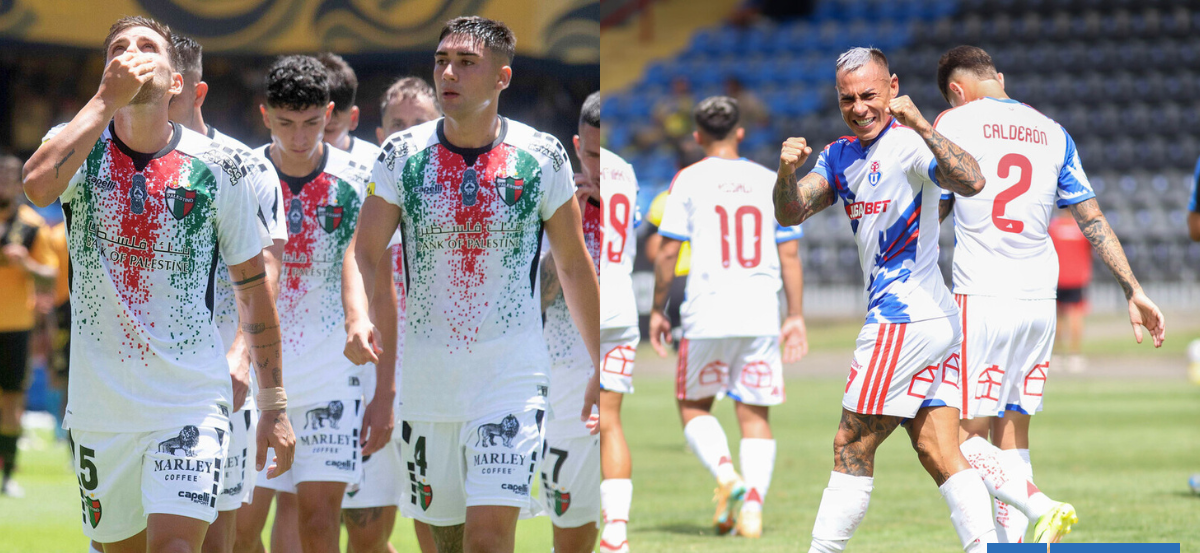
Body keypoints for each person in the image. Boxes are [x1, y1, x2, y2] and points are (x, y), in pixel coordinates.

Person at [23, 15, 294, 552]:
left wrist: (275, 405)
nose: (132, 54)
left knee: (176, 547)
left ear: (177, 83)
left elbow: (253, 291)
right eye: (118, 49)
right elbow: (35, 186)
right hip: (102, 408)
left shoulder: (219, 169)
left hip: (189, 399)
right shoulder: (78, 146)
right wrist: (103, 101)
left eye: (148, 47)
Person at [348, 16, 601, 553]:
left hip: (511, 378)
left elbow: (575, 267)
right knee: (446, 540)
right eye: (442, 61)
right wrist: (357, 315)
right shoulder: (402, 155)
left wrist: (605, 362)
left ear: (502, 78)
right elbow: (364, 250)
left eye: (466, 62)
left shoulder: (541, 155)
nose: (448, 73)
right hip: (428, 383)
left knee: (488, 539)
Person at [933, 45, 1166, 543]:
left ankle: (1041, 505)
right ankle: (1019, 543)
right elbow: (1091, 217)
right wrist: (1134, 289)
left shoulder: (952, 124)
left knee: (959, 436)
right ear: (999, 75)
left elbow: (936, 208)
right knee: (1013, 432)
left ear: (956, 90)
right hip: (1041, 300)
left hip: (982, 295)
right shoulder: (1053, 132)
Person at [771, 47, 995, 552]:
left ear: (892, 87)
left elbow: (972, 179)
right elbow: (791, 212)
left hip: (904, 317)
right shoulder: (839, 155)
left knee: (850, 443)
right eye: (847, 98)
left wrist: (922, 124)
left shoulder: (910, 145)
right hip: (931, 317)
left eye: (869, 95)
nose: (859, 107)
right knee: (938, 447)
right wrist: (785, 172)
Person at [650, 96, 805, 538]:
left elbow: (665, 252)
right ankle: (752, 506)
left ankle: (727, 477)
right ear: (740, 132)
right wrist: (795, 314)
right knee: (754, 415)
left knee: (693, 405)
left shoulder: (689, 179)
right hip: (760, 310)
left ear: (697, 136)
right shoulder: (766, 179)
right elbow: (789, 253)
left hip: (707, 311)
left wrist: (661, 309)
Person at [166, 34, 289, 553]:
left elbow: (267, 270)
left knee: (219, 537)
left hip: (217, 380)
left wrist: (242, 354)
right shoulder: (114, 159)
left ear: (195, 92)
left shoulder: (245, 167)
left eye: (161, 91)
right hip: (136, 380)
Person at [249, 55, 374, 553]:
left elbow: (357, 258)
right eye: (285, 124)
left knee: (320, 524)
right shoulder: (244, 175)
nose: (299, 137)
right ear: (265, 116)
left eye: (311, 123)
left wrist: (358, 318)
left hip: (329, 376)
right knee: (240, 532)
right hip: (262, 375)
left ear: (329, 112)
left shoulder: (358, 176)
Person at [536, 90, 603, 553]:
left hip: (622, 376)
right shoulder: (556, 207)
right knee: (572, 530)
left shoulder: (636, 203)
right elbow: (534, 300)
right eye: (594, 154)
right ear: (578, 146)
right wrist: (567, 235)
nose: (601, 167)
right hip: (566, 388)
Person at [596, 96, 640, 553]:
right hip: (621, 307)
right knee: (610, 421)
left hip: (580, 307)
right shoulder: (625, 170)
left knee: (568, 424)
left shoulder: (570, 169)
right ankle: (616, 533)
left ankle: (567, 533)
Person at [0, 153, 57, 498]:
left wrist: (27, 267)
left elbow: (51, 276)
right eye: (0, 176)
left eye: (11, 176)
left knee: (11, 402)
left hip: (16, 326)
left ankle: (8, 475)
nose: (5, 182)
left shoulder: (31, 224)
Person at [1048, 211, 1093, 373]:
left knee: (1058, 316)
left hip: (1058, 276)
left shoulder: (1053, 227)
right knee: (1076, 315)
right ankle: (1074, 355)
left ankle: (1058, 356)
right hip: (1077, 277)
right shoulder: (1081, 228)